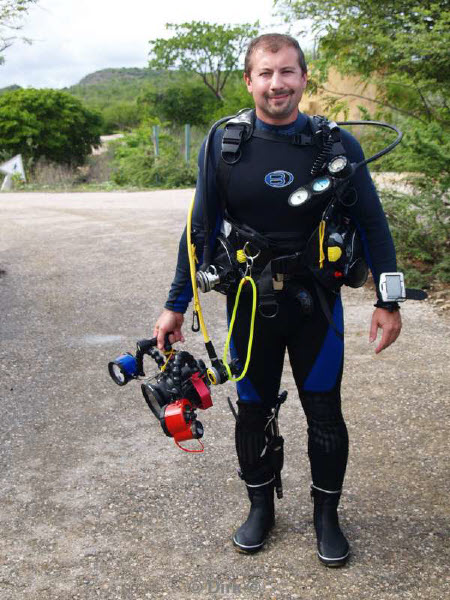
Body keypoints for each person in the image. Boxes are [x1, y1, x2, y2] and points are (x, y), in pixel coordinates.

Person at [153, 33, 402, 567]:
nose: (277, 84)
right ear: (249, 81)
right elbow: (199, 227)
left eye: (287, 72)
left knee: (325, 413)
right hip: (248, 302)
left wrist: (389, 298)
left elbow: (372, 224)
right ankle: (260, 506)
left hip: (317, 302)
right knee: (252, 410)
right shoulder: (224, 143)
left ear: (304, 78)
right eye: (265, 74)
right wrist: (176, 303)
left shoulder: (335, 145)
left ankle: (326, 516)